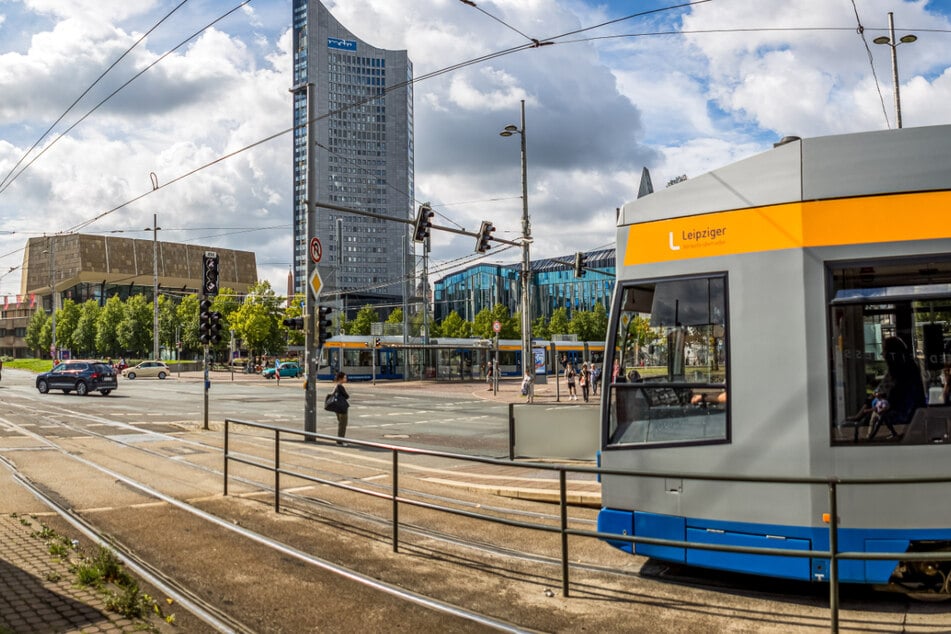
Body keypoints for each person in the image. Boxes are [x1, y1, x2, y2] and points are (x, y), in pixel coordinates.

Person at [867, 336, 926, 440]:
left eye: (885, 350)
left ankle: (870, 435)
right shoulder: (900, 369)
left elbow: (897, 395)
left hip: (906, 413)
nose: (883, 354)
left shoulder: (902, 371)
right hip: (904, 410)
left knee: (875, 413)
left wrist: (881, 398)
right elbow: (884, 388)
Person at [330, 371, 350, 444]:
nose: (346, 378)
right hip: (342, 408)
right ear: (340, 378)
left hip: (338, 408)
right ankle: (340, 441)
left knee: (341, 424)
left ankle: (340, 440)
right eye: (345, 377)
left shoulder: (336, 386)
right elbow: (346, 396)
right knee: (342, 425)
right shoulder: (340, 386)